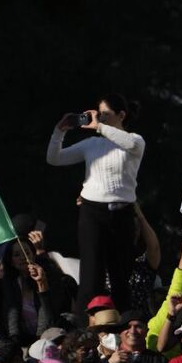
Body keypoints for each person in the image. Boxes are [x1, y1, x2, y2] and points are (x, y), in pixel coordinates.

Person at [47, 94, 146, 318]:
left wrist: (99, 126)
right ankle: (85, 328)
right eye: (97, 113)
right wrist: (59, 131)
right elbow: (55, 158)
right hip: (92, 212)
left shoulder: (135, 140)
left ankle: (122, 324)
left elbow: (129, 143)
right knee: (91, 275)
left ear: (121, 115)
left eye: (104, 114)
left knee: (120, 275)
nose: (98, 118)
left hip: (122, 213)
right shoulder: (92, 144)